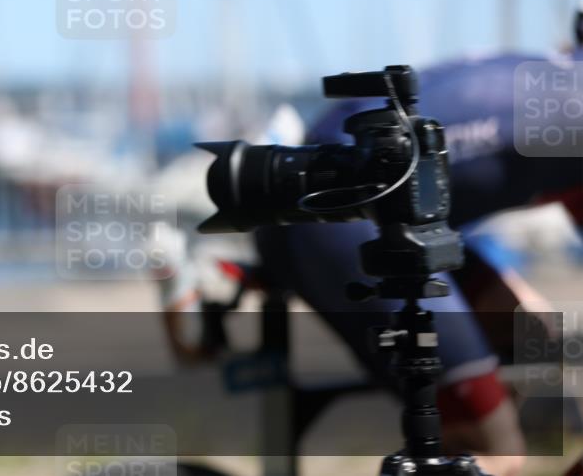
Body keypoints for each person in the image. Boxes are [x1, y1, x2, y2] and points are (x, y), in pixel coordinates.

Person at [160, 37, 583, 476]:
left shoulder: (558, 75)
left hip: (340, 193)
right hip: (346, 213)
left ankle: (224, 271)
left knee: (534, 337)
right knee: (492, 451)